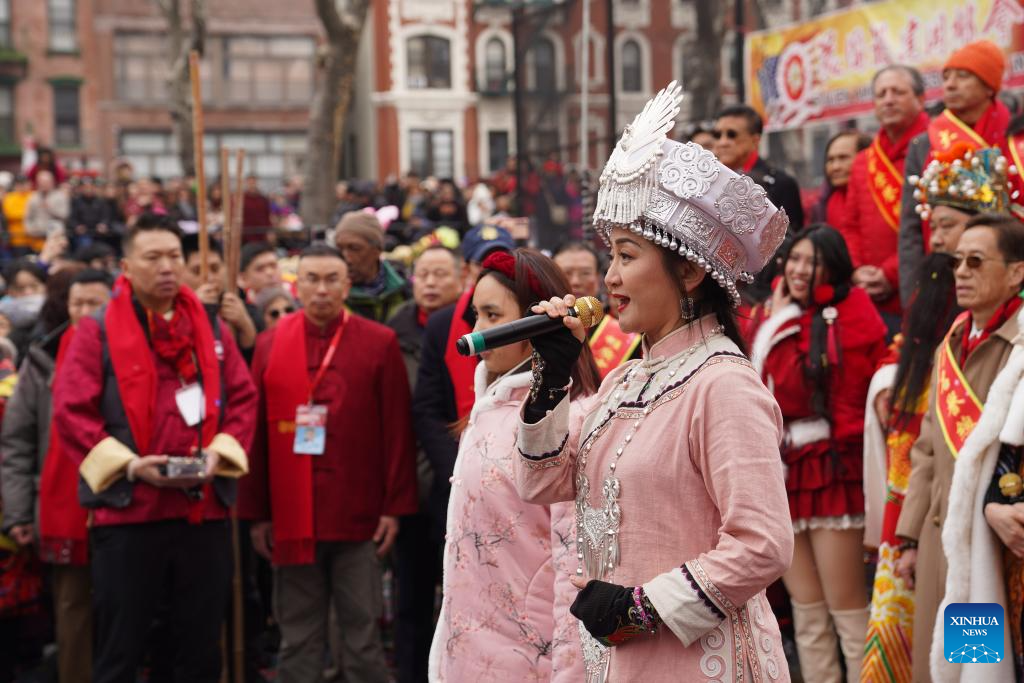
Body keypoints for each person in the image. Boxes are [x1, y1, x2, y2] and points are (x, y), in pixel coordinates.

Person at [514, 84, 793, 681]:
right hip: (621, 659)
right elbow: (546, 484)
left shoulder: (723, 385)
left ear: (689, 270)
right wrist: (550, 384)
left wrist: (643, 606)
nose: (610, 276)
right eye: (609, 255)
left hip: (700, 661)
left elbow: (763, 543)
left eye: (627, 255)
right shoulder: (625, 378)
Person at [52, 213, 257, 683]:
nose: (167, 267)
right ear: (126, 266)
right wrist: (129, 465)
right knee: (121, 650)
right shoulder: (97, 329)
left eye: (174, 257)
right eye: (153, 257)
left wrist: (218, 455)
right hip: (129, 514)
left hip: (201, 508)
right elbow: (71, 412)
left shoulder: (208, 325)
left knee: (198, 648)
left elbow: (242, 397)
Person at [240, 244, 417, 683]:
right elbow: (255, 437)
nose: (321, 290)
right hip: (291, 513)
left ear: (347, 285)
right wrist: (257, 514)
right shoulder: (268, 345)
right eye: (312, 280)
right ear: (296, 285)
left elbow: (397, 430)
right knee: (297, 636)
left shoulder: (379, 342)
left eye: (331, 279)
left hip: (358, 512)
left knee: (361, 634)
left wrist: (393, 508)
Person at [428, 249, 597, 680]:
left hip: (530, 660)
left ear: (533, 324)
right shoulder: (488, 407)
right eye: (475, 316)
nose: (478, 330)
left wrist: (570, 671)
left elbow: (575, 563)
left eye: (491, 315)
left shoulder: (571, 419)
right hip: (469, 651)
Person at [748, 225, 887, 681]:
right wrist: (783, 317)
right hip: (788, 468)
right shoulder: (784, 314)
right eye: (796, 259)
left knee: (848, 612)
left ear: (834, 264)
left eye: (813, 260)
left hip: (831, 469)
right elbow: (765, 387)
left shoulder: (849, 313)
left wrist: (784, 319)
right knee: (807, 614)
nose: (801, 270)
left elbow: (805, 390)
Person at [894, 213, 1024, 681]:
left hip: (993, 541)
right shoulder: (951, 340)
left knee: (984, 666)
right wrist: (909, 537)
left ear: (1016, 272)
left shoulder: (1019, 346)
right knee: (943, 663)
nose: (962, 272)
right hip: (939, 533)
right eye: (956, 263)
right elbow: (926, 447)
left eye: (975, 261)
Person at [0, 268, 112, 683]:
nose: (85, 312)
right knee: (72, 611)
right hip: (62, 508)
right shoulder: (43, 358)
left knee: (128, 611)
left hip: (127, 506)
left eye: (95, 303)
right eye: (77, 303)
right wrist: (17, 512)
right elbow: (17, 442)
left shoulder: (132, 352)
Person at [386, 245, 464, 683]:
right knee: (410, 599)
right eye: (423, 275)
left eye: (440, 274)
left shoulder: (471, 327)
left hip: (453, 480)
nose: (430, 283)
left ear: (459, 279)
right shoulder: (391, 333)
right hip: (410, 484)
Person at [411, 224, 513, 553]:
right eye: (482, 265)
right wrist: (459, 467)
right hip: (455, 471)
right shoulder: (443, 324)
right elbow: (427, 409)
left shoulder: (529, 322)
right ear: (468, 270)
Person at [899, 40, 1009, 305]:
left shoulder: (1014, 137)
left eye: (963, 76)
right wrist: (912, 292)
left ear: (988, 86)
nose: (949, 84)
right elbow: (911, 229)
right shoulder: (924, 144)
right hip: (940, 273)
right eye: (946, 76)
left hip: (1006, 270)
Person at [841, 66, 930, 325]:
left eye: (898, 92)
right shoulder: (863, 161)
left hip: (919, 284)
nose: (888, 99)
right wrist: (858, 271)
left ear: (921, 99)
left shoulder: (935, 149)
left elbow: (931, 228)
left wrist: (890, 274)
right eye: (881, 94)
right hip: (869, 294)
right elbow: (850, 226)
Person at [554, 241, 641, 378]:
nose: (575, 281)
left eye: (585, 273)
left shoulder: (624, 332)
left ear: (598, 279)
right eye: (567, 273)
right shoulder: (539, 325)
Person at [713, 103, 804, 232]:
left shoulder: (782, 184)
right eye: (717, 135)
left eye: (731, 135)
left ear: (755, 141)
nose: (722, 142)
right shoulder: (709, 182)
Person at [334, 210, 410, 322]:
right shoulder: (332, 297)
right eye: (339, 249)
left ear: (377, 250)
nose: (346, 258)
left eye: (355, 248)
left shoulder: (406, 292)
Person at [816, 130, 871, 228]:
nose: (835, 167)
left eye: (843, 158)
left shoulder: (878, 199)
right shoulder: (827, 203)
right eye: (830, 160)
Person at [24, 170, 70, 252]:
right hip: (36, 236)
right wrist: (30, 229)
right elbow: (27, 217)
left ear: (52, 182)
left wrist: (50, 208)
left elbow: (65, 215)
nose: (44, 184)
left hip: (55, 237)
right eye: (41, 181)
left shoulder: (60, 196)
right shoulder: (33, 197)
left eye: (46, 181)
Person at [69, 177, 114, 250]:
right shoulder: (76, 202)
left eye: (90, 187)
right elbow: (72, 219)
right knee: (86, 246)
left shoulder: (101, 201)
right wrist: (77, 226)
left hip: (98, 233)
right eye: (86, 187)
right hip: (83, 233)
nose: (88, 190)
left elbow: (106, 217)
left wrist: (103, 224)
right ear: (81, 188)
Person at [3, 176, 33, 255]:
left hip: (35, 238)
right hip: (18, 238)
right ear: (15, 185)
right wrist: (29, 214)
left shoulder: (33, 195)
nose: (22, 186)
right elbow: (10, 214)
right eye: (19, 184)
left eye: (24, 183)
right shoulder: (10, 197)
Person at [241, 176, 273, 243]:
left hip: (261, 233)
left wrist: (269, 231)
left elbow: (267, 216)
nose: (252, 185)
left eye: (253, 183)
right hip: (245, 234)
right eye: (250, 183)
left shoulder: (263, 199)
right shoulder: (242, 200)